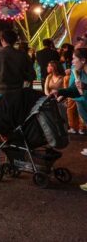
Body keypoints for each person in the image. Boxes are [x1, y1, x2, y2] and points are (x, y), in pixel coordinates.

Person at [0, 29, 34, 165]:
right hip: (17, 94)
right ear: (15, 40)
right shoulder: (23, 55)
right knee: (17, 125)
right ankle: (18, 158)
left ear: (2, 40)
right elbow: (31, 75)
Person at [51, 49, 87, 191]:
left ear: (83, 60)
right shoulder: (80, 72)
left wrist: (85, 86)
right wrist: (59, 91)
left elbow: (81, 88)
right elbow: (74, 89)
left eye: (74, 59)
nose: (72, 62)